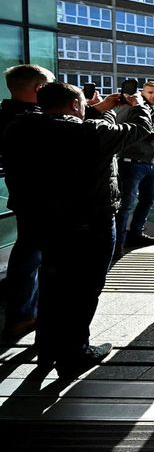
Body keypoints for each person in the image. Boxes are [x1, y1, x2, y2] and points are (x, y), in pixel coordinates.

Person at [3, 82, 152, 378]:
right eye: (83, 103)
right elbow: (138, 129)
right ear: (74, 105)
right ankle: (75, 353)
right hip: (89, 224)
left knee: (51, 283)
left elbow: (68, 126)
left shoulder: (18, 128)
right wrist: (138, 107)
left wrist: (102, 110)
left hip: (43, 221)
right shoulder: (88, 133)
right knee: (84, 288)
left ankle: (46, 350)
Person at [0, 64, 54, 341]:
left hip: (24, 197)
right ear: (40, 89)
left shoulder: (6, 116)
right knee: (35, 257)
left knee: (28, 253)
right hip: (44, 200)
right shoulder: (34, 121)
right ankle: (24, 315)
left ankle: (23, 313)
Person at [114, 80, 154, 260]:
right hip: (130, 162)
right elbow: (117, 126)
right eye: (150, 92)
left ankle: (135, 234)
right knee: (126, 205)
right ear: (142, 93)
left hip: (149, 163)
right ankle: (117, 244)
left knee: (148, 200)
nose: (153, 96)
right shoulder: (133, 108)